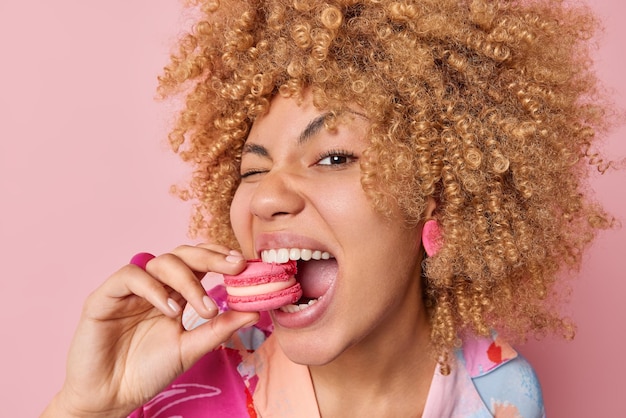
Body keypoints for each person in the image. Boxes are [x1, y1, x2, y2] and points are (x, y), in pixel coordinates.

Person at [42, 0, 615, 416]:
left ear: (434, 195)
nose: (267, 196)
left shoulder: (498, 396)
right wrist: (87, 406)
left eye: (334, 157)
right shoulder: (186, 354)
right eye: (253, 168)